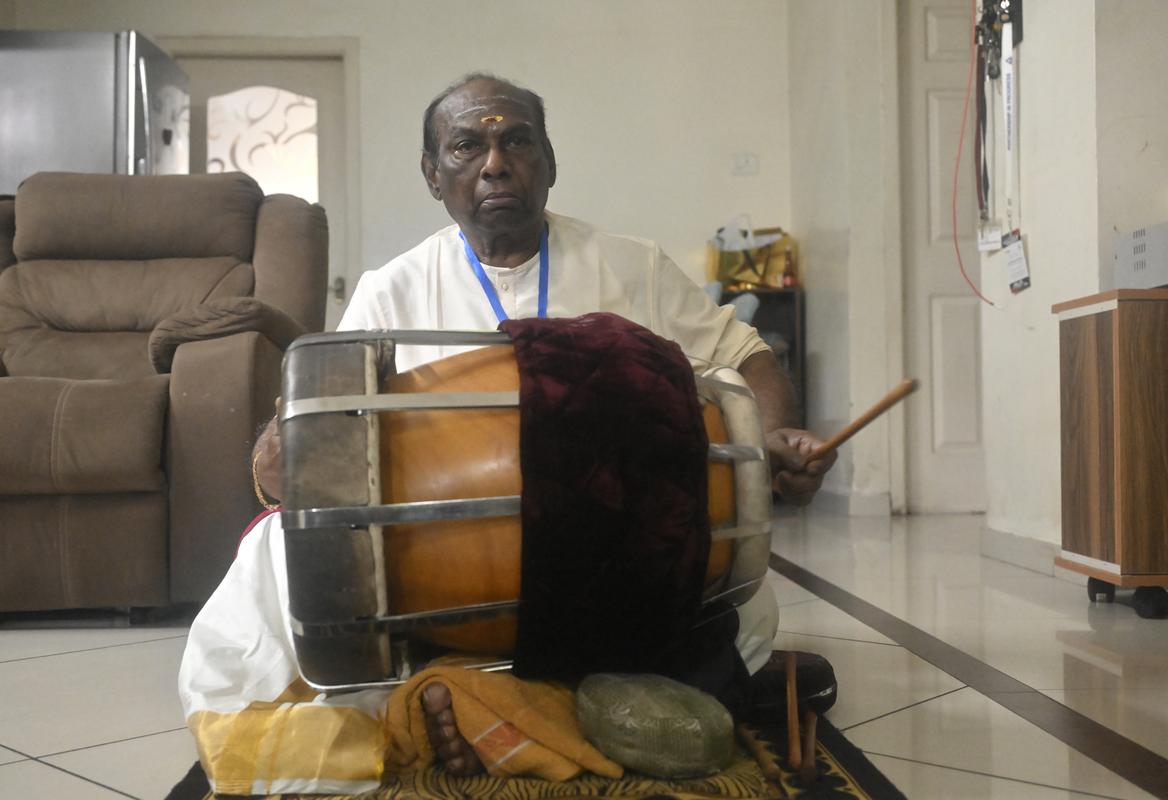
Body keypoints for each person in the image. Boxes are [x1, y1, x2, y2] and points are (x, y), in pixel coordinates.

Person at [184, 73, 836, 792]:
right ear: (434, 175)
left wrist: (777, 439)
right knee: (278, 561)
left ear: (548, 163)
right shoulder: (390, 290)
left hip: (613, 560)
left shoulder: (632, 266)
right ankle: (544, 706)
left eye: (516, 140)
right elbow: (318, 447)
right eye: (467, 145)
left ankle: (475, 709)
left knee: (751, 602)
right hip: (450, 579)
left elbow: (748, 358)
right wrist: (276, 461)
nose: (495, 162)